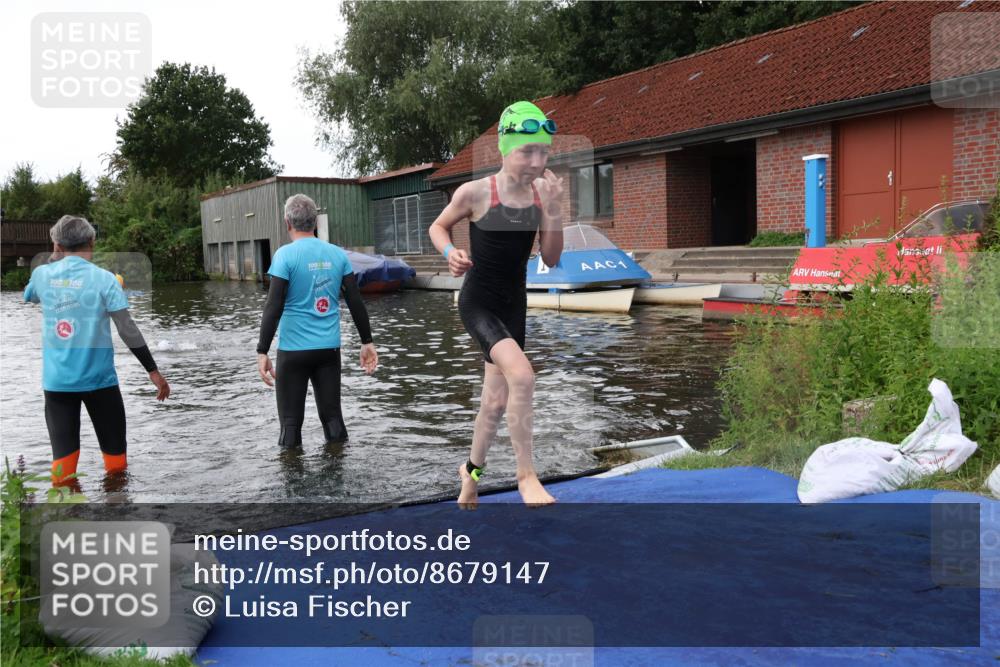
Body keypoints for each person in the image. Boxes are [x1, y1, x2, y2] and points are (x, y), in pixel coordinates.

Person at [428, 100, 564, 507]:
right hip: (479, 302)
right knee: (522, 376)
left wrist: (555, 209)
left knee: (495, 402)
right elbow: (438, 225)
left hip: (513, 305)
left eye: (543, 152)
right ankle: (527, 477)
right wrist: (450, 251)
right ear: (505, 149)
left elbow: (552, 258)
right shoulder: (475, 192)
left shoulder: (543, 195)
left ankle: (470, 475)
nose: (537, 161)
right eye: (527, 151)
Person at [23, 215, 170, 486]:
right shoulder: (104, 280)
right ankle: (116, 508)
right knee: (116, 464)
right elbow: (128, 329)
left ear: (56, 243)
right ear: (91, 240)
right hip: (100, 383)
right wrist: (153, 371)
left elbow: (29, 295)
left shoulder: (42, 274)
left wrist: (54, 261)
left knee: (63, 467)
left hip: (57, 385)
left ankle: (67, 517)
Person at [257, 194, 378, 448]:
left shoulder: (284, 256)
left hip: (293, 351)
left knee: (290, 425)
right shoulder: (337, 255)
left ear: (287, 222)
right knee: (333, 419)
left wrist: (262, 350)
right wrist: (367, 341)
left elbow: (274, 305)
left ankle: (292, 484)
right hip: (328, 350)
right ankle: (337, 480)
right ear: (314, 223)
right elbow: (355, 301)